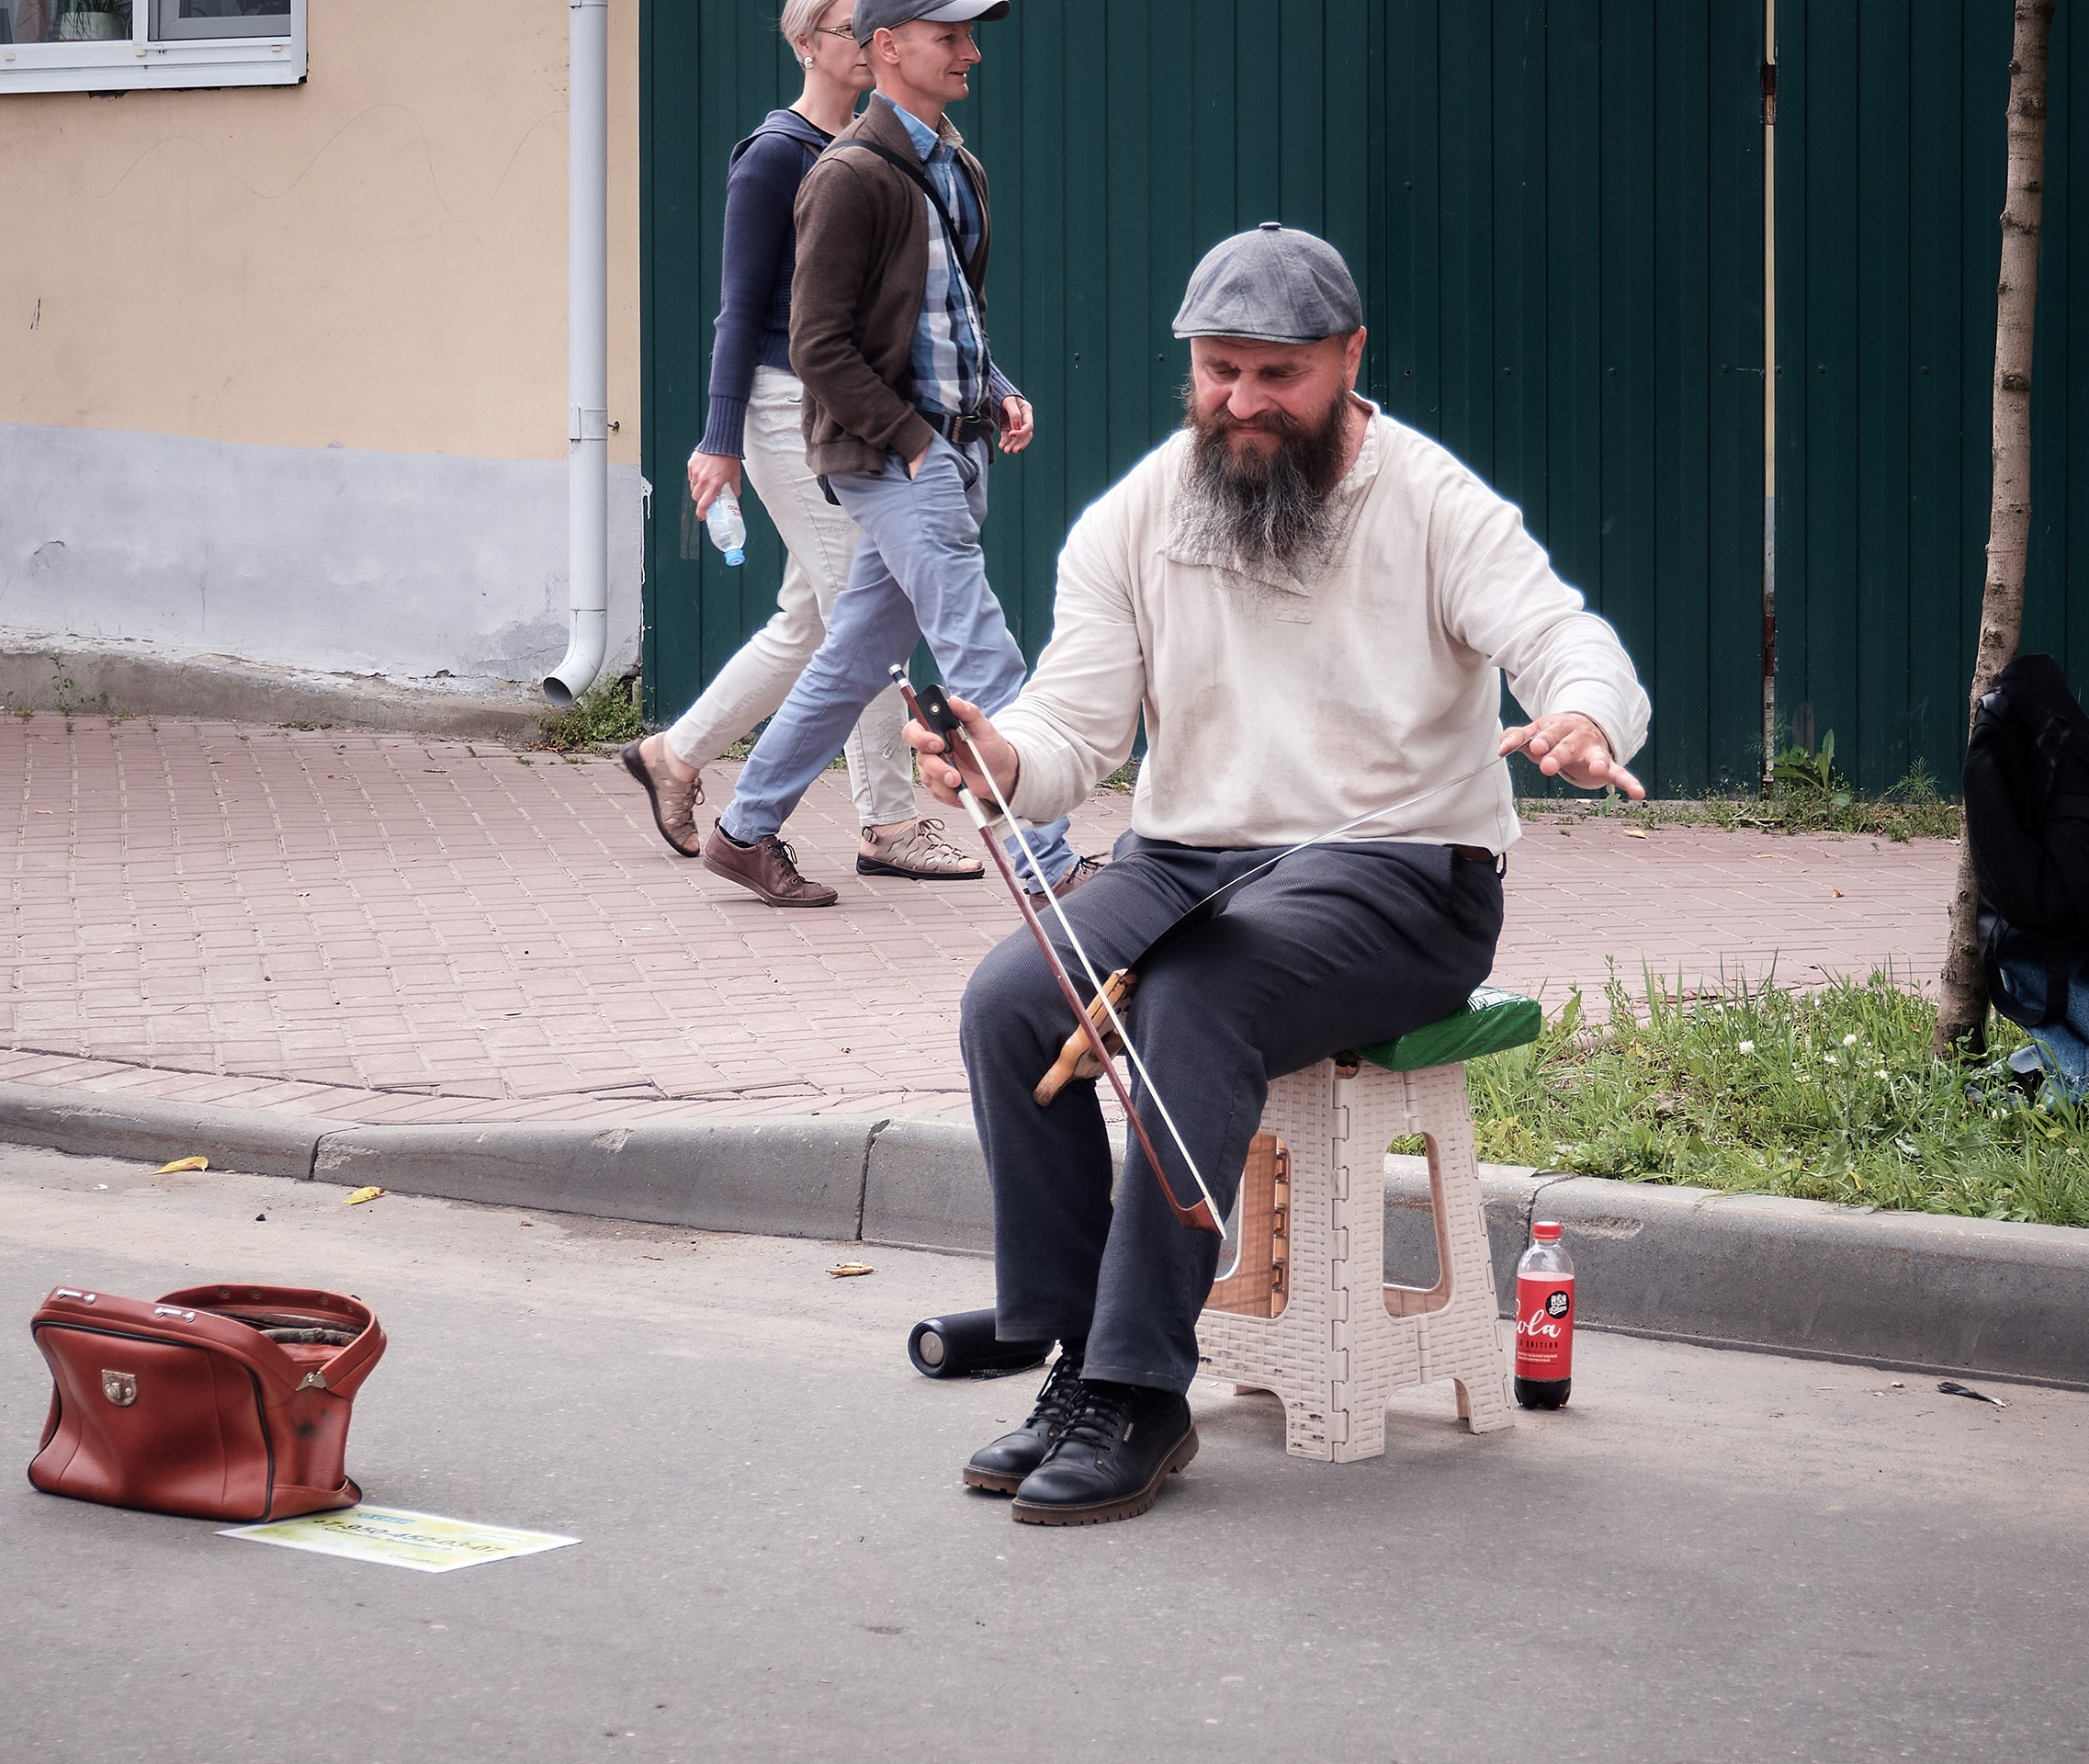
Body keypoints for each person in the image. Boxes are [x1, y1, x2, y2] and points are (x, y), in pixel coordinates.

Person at [909, 224, 1653, 1524]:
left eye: (1276, 375)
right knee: (1010, 1000)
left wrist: (1586, 716)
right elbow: (1070, 738)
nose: (1243, 403)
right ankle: (1077, 1347)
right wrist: (992, 757)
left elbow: (1564, 636)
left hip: (1400, 872)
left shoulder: (1432, 502)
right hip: (1191, 852)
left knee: (1197, 997)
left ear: (1348, 360)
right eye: (1218, 372)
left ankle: (1139, 1392)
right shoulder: (1138, 513)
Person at [698, 0, 1093, 909]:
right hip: (889, 459)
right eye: (949, 36)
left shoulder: (955, 165)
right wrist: (913, 443)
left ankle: (742, 830)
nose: (971, 52)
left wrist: (996, 389)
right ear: (887, 47)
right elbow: (816, 344)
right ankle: (1052, 868)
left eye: (968, 35)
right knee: (980, 651)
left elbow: (950, 316)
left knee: (850, 660)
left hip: (947, 451)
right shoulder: (846, 175)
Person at [620, 0, 979, 887]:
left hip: (847, 407)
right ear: (809, 46)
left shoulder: (881, 151)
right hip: (786, 404)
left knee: (812, 617)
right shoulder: (775, 155)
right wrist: (718, 439)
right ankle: (887, 823)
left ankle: (677, 752)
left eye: (871, 31)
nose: (863, 48)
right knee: (871, 609)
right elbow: (740, 310)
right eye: (847, 33)